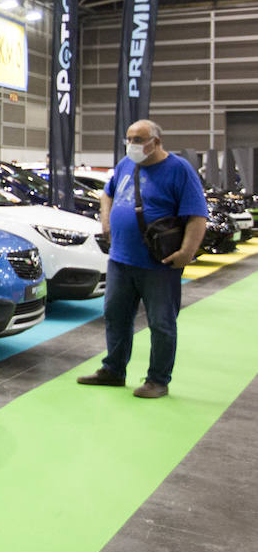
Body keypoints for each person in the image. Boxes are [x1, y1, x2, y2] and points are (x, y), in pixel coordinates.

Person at [78, 119, 208, 398]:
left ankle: (158, 380)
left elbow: (197, 216)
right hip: (121, 260)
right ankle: (113, 370)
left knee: (161, 322)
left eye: (138, 139)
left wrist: (186, 253)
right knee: (115, 316)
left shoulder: (179, 170)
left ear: (156, 142)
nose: (132, 145)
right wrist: (106, 221)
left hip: (158, 265)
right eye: (129, 138)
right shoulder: (127, 165)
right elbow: (106, 193)